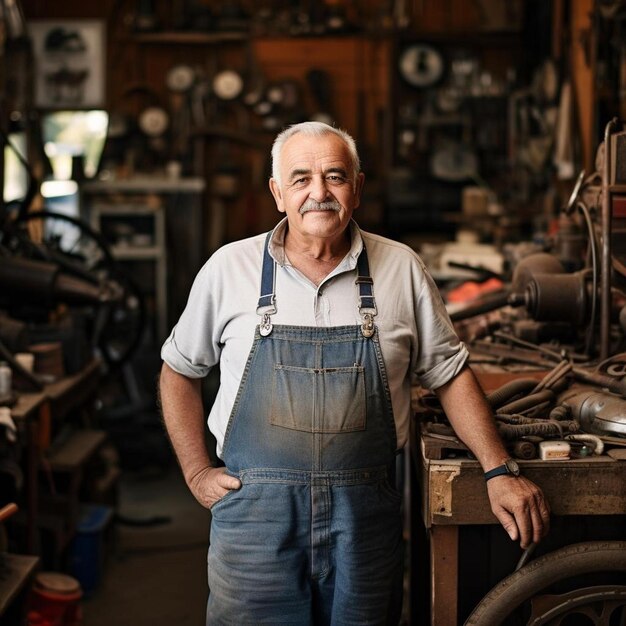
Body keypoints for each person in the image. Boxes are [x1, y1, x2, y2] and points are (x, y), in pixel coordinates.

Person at [159, 121, 550, 625]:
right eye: (300, 179)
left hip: (363, 518)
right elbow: (178, 370)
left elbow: (450, 374)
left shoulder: (401, 268)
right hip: (255, 522)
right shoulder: (228, 269)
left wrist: (498, 470)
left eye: (334, 177)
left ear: (358, 189)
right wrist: (195, 471)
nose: (318, 193)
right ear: (277, 193)